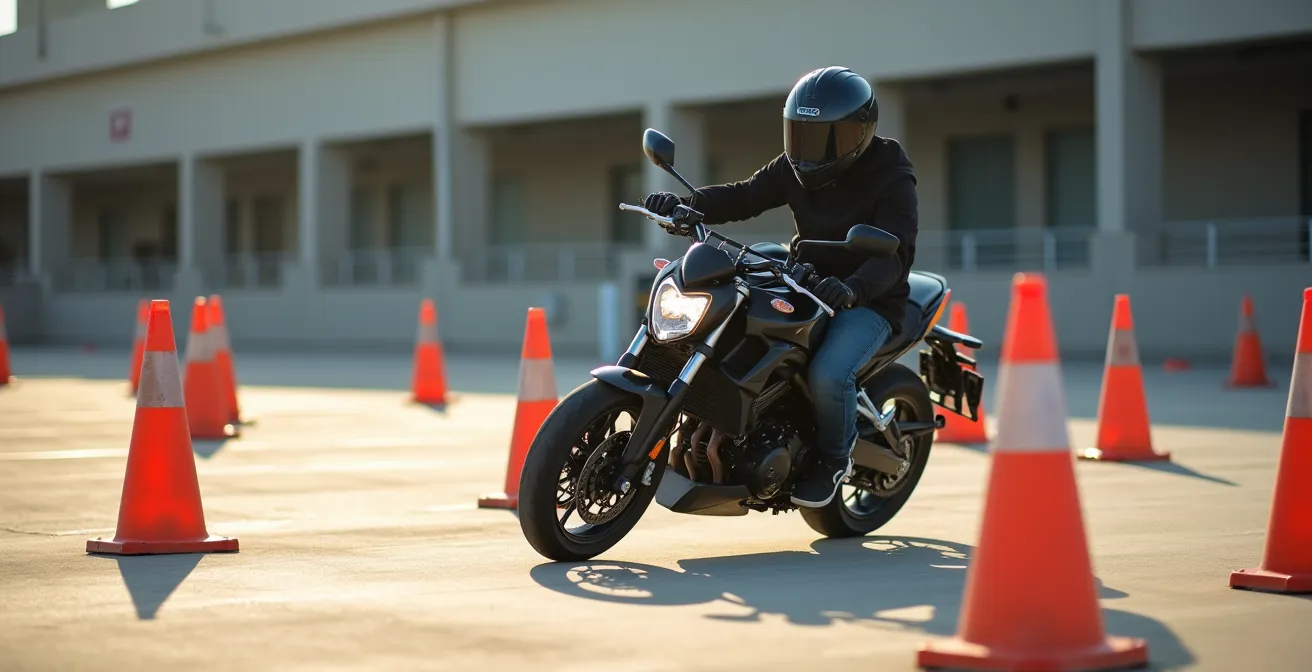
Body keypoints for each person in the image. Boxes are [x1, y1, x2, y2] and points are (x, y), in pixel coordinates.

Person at [641, 66, 918, 508]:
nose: (811, 150)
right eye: (802, 134)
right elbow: (743, 195)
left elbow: (896, 253)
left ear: (861, 132)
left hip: (868, 299)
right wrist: (684, 206)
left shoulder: (890, 171)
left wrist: (852, 289)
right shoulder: (793, 166)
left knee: (829, 374)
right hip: (804, 278)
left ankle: (832, 457)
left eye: (827, 137)